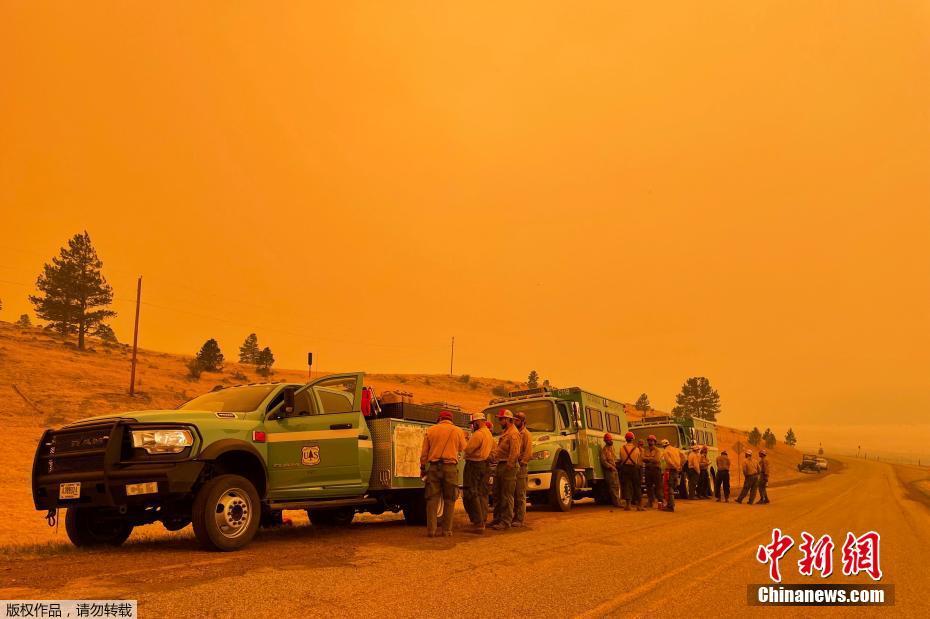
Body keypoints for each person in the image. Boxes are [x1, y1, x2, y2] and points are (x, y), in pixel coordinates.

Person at [419, 410, 467, 537]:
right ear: (451, 420)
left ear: (439, 419)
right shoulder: (457, 431)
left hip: (434, 467)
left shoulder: (431, 430)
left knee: (432, 499)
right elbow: (463, 448)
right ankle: (446, 530)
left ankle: (431, 530)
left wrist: (423, 467)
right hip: (450, 468)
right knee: (450, 499)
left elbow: (424, 453)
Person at [489, 410, 521, 530]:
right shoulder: (506, 432)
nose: (499, 421)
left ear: (508, 420)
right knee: (497, 493)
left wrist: (509, 465)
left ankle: (506, 521)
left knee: (507, 495)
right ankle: (497, 518)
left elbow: (515, 452)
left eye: (501, 419)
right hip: (501, 464)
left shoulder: (513, 433)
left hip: (508, 466)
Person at [462, 412, 494, 530]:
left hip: (474, 464)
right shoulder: (488, 434)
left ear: (478, 421)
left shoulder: (478, 434)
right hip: (484, 465)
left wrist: (465, 441)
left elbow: (468, 449)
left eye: (474, 423)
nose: (473, 425)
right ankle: (482, 519)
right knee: (482, 493)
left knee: (472, 492)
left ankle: (478, 522)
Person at [512, 411, 534, 527]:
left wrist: (522, 463)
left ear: (523, 421)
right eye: (514, 420)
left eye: (517, 420)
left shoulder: (526, 434)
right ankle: (514, 516)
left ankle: (520, 519)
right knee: (513, 493)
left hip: (521, 467)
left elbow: (528, 452)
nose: (515, 422)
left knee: (520, 494)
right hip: (514, 466)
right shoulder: (515, 433)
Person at [619, 431, 643, 511]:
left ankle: (628, 505)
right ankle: (639, 506)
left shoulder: (622, 448)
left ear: (626, 439)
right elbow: (638, 459)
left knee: (627, 486)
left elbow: (621, 459)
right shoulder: (636, 449)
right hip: (634, 468)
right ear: (633, 439)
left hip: (625, 468)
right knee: (637, 486)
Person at [599, 433, 622, 507]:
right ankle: (616, 503)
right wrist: (610, 467)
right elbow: (603, 461)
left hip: (614, 469)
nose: (611, 441)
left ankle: (618, 502)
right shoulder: (604, 450)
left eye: (611, 439)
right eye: (609, 440)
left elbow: (614, 458)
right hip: (609, 471)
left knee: (617, 486)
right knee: (612, 487)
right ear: (606, 441)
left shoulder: (612, 449)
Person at [660, 439, 683, 512]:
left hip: (670, 471)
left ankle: (670, 506)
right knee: (672, 487)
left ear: (663, 445)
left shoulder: (666, 451)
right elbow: (684, 457)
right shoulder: (676, 449)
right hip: (676, 471)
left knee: (669, 488)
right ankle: (670, 505)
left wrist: (675, 466)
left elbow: (669, 461)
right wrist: (680, 465)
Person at [642, 435, 663, 508]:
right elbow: (643, 458)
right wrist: (651, 459)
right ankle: (650, 502)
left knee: (658, 487)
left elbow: (656, 460)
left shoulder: (657, 450)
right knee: (649, 487)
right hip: (648, 470)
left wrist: (648, 459)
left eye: (651, 440)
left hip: (656, 470)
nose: (650, 442)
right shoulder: (646, 450)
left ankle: (660, 502)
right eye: (649, 440)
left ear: (654, 442)